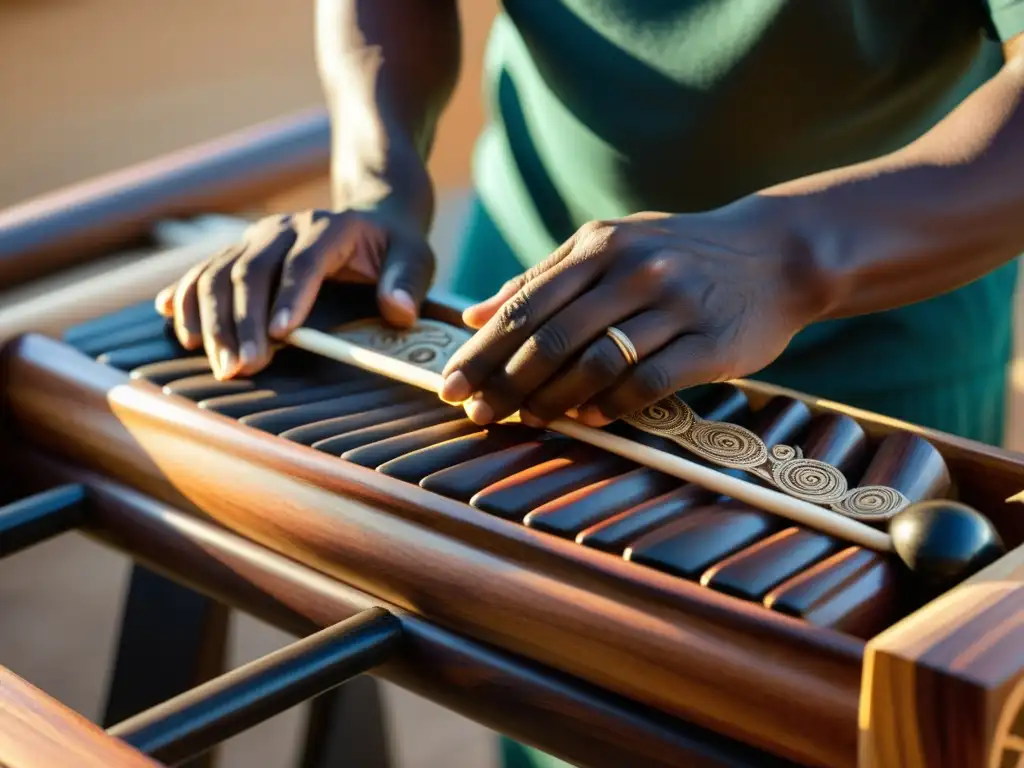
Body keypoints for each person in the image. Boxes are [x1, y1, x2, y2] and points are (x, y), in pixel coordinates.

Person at [157, 2, 1024, 765]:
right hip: (525, 303)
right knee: (542, 686)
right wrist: (380, 183)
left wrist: (792, 254)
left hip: (873, 325)